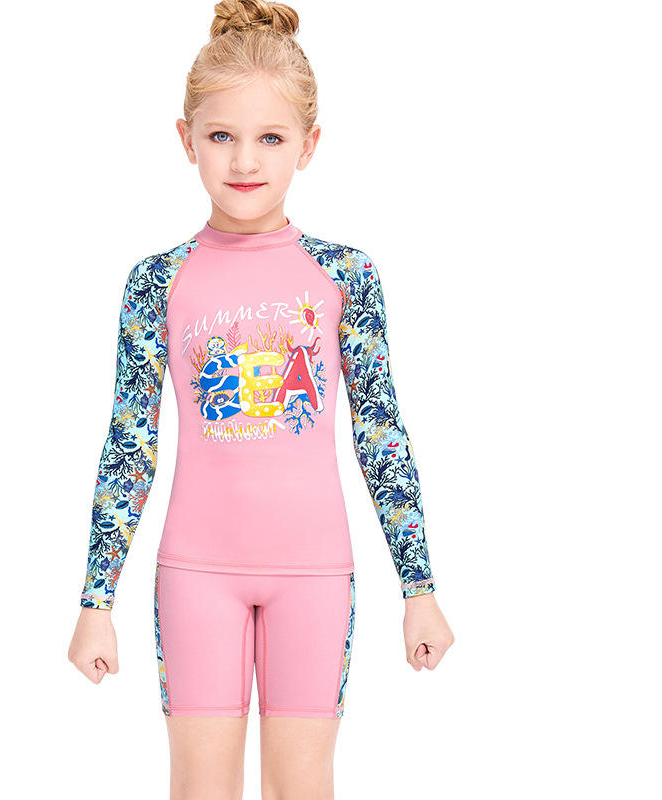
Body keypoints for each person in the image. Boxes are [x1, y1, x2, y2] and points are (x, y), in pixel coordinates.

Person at [68, 1, 454, 797]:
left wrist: (419, 590)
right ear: (186, 139)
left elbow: (381, 434)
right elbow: (130, 443)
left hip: (314, 574)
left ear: (310, 144)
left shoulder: (345, 276)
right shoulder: (157, 282)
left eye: (271, 138)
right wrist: (95, 599)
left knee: (302, 789)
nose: (245, 160)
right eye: (222, 136)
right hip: (196, 574)